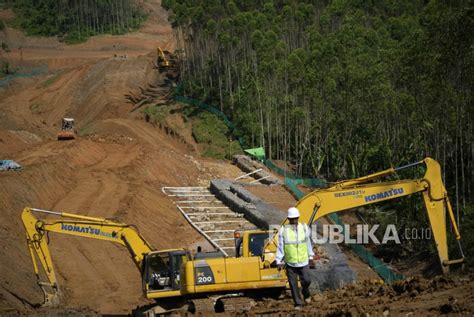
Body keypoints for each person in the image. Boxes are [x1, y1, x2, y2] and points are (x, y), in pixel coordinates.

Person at [275, 207, 314, 309]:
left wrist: (310, 256)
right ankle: (298, 303)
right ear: (288, 219)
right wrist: (278, 260)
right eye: (292, 219)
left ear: (298, 218)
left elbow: (308, 243)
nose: (294, 221)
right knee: (293, 285)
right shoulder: (283, 230)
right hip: (290, 262)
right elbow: (280, 246)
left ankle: (306, 293)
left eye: (296, 218)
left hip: (303, 261)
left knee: (306, 280)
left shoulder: (304, 228)